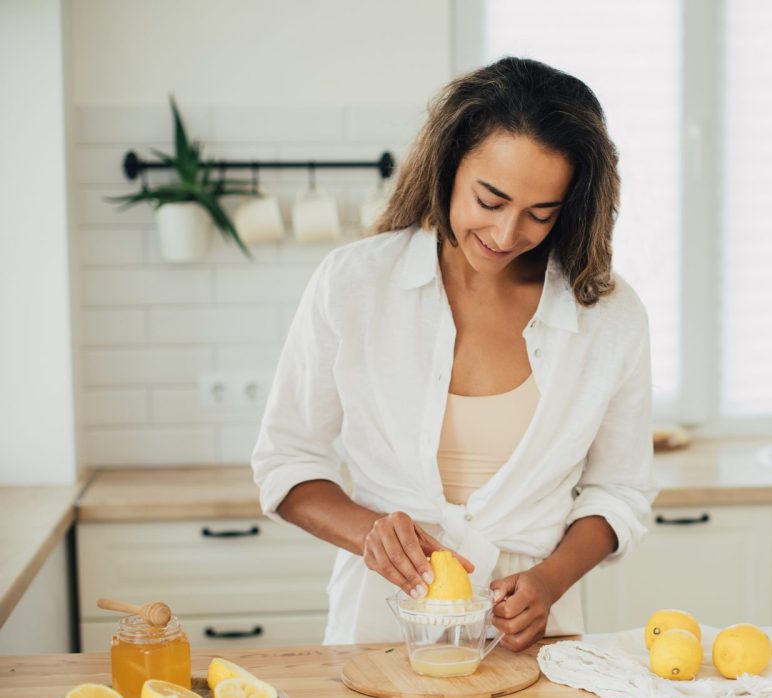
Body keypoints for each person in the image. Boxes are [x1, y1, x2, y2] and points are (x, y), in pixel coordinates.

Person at [251, 57, 656, 652]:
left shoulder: (609, 315)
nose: (505, 234)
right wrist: (372, 533)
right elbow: (286, 464)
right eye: (489, 200)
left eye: (539, 214)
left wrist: (550, 580)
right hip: (380, 632)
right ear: (447, 167)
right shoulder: (355, 284)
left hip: (534, 643)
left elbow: (620, 491)